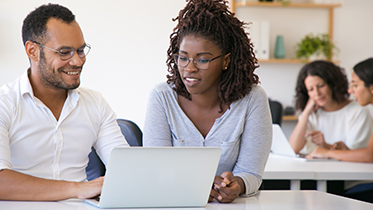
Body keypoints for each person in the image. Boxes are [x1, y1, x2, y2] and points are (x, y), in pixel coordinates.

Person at [143, 0, 272, 203]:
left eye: (202, 60)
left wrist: (237, 184)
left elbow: (251, 173)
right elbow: (156, 170)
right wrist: (192, 185)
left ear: (226, 61)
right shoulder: (162, 97)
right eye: (183, 58)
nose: (189, 68)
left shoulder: (252, 99)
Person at [0, 4, 128, 201]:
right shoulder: (5, 103)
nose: (77, 61)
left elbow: (127, 169)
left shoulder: (95, 103)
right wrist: (79, 189)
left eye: (80, 50)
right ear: (32, 51)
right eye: (64, 52)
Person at [289, 60, 372, 155]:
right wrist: (306, 112)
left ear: (332, 84)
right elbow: (293, 149)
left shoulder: (358, 111)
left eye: (321, 86)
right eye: (311, 89)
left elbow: (356, 154)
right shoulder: (311, 114)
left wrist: (325, 146)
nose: (317, 93)